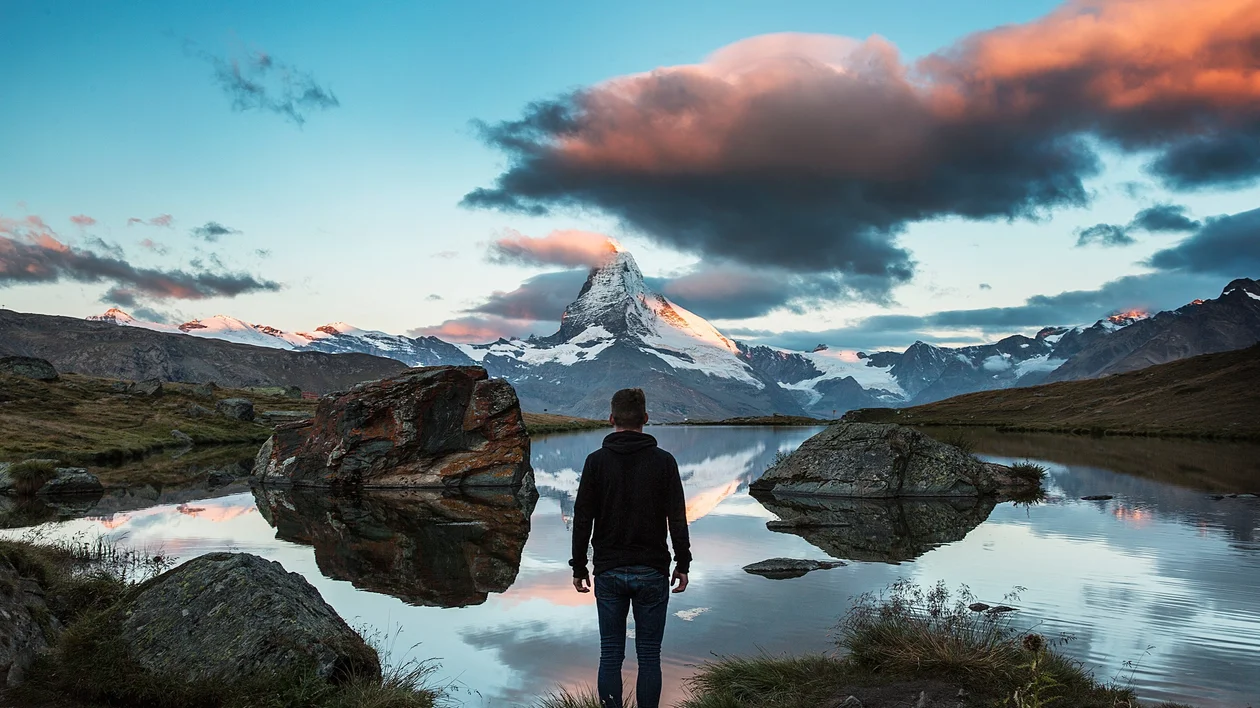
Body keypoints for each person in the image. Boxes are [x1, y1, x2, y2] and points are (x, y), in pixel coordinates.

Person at [570, 388, 691, 708]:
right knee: (650, 657)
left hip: (608, 571)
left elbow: (582, 519)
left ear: (611, 419)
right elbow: (677, 518)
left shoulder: (595, 462)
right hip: (652, 570)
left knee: (610, 654)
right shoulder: (665, 462)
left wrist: (579, 567)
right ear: (646, 420)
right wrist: (683, 563)